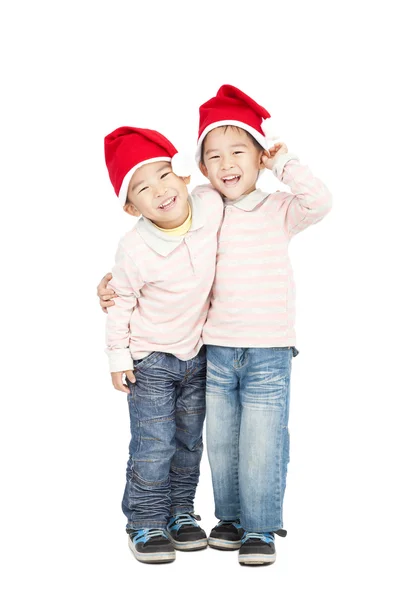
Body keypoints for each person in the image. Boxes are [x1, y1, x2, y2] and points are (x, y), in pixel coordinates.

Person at [99, 86, 332, 566]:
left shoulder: (276, 209)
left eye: (240, 152)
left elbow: (320, 201)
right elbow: (143, 258)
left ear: (257, 156)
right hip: (214, 350)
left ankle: (259, 526)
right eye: (215, 156)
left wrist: (281, 162)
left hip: (267, 349)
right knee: (218, 442)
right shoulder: (207, 204)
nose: (228, 165)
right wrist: (106, 286)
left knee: (260, 439)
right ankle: (220, 518)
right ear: (201, 169)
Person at [103, 126, 223, 564]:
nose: (160, 191)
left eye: (163, 176)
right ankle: (145, 520)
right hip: (151, 359)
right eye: (143, 188)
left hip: (198, 353)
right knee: (154, 443)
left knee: (190, 442)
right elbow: (120, 302)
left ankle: (180, 512)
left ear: (185, 177)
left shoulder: (209, 206)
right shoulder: (134, 247)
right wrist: (118, 357)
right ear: (131, 206)